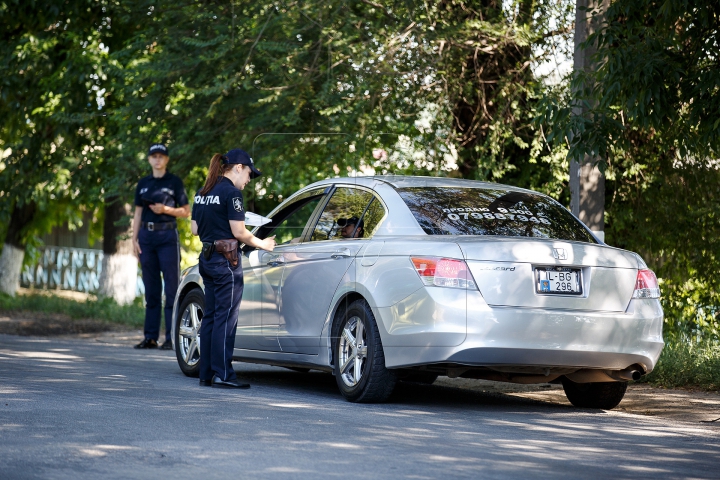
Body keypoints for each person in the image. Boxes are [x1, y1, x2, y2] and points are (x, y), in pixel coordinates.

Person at [191, 148, 276, 389]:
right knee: (226, 318)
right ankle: (224, 375)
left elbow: (195, 230)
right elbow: (239, 233)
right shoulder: (232, 194)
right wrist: (264, 244)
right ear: (238, 167)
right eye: (249, 173)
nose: (249, 180)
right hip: (226, 261)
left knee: (211, 317)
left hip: (206, 259)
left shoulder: (202, 192)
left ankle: (206, 374)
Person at [132, 143, 190, 350]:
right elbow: (138, 213)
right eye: (154, 156)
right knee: (151, 289)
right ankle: (150, 337)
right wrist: (134, 239)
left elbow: (186, 211)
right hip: (146, 237)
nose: (157, 159)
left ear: (166, 159)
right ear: (149, 159)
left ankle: (172, 338)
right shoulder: (143, 183)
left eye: (161, 156)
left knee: (172, 288)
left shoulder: (174, 182)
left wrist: (165, 209)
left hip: (167, 235)